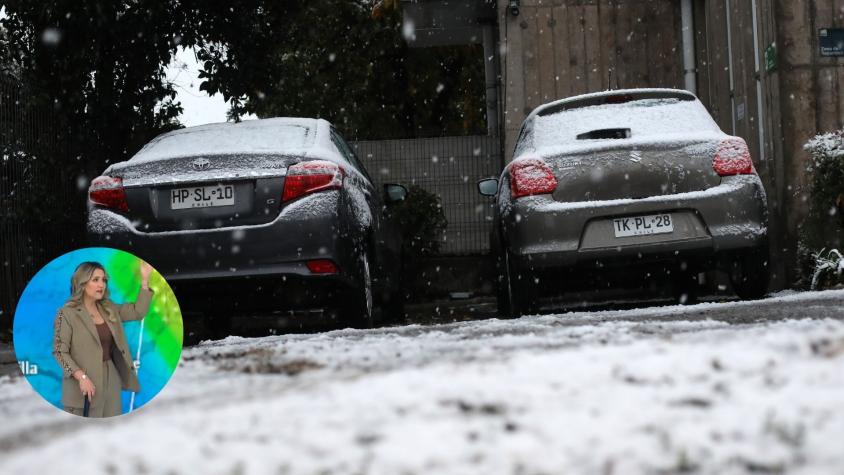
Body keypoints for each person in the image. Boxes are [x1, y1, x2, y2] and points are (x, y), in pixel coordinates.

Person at [53, 261, 153, 417]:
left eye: (104, 280)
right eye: (95, 280)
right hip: (82, 384)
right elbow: (60, 351)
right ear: (82, 283)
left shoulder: (109, 308)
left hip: (111, 377)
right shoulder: (66, 313)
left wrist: (145, 281)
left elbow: (137, 312)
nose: (102, 284)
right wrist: (82, 377)